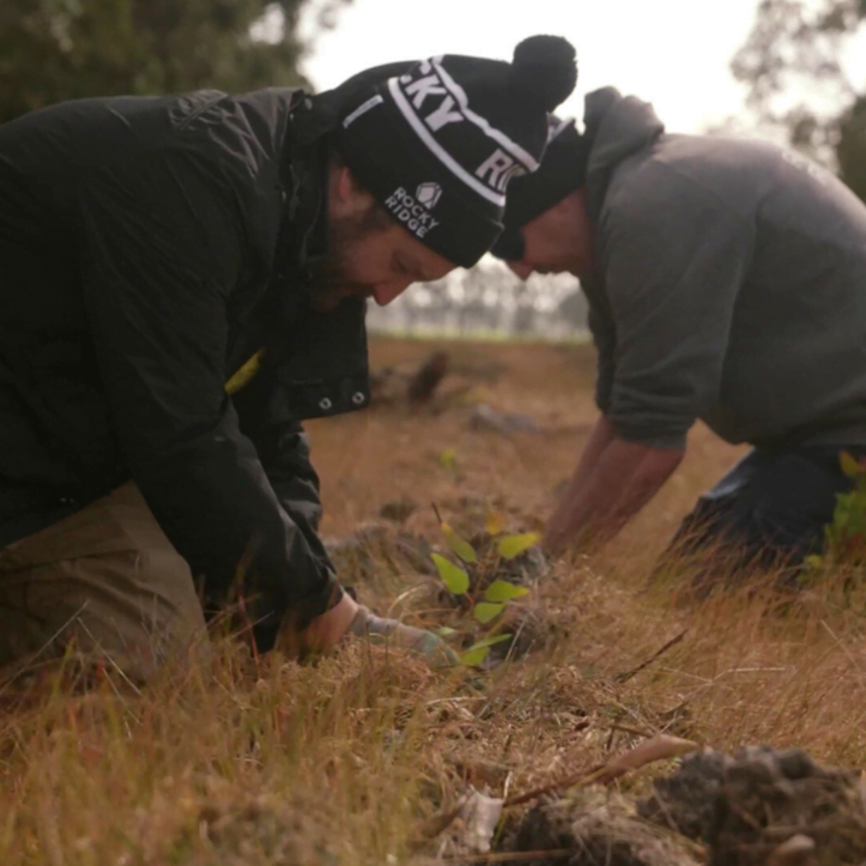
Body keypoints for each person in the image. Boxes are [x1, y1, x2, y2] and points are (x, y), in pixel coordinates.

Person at [0, 36, 577, 680]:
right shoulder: (193, 182)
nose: (388, 294)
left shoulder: (305, 229)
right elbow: (180, 431)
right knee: (155, 675)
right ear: (353, 180)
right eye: (400, 265)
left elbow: (267, 424)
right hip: (33, 456)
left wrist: (304, 582)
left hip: (70, 448)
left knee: (218, 626)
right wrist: (324, 616)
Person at [491, 86, 866, 587]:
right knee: (682, 580)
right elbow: (626, 413)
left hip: (849, 430)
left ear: (559, 198)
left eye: (510, 241)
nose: (518, 269)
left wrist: (543, 577)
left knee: (711, 598)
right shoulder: (615, 227)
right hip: (815, 433)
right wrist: (546, 553)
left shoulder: (654, 206)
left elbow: (651, 443)